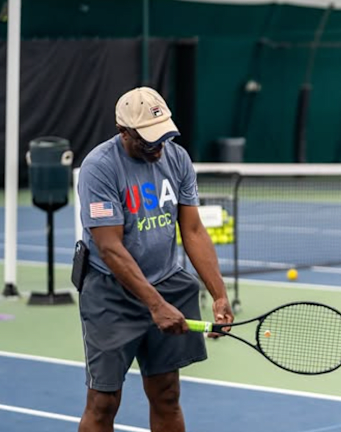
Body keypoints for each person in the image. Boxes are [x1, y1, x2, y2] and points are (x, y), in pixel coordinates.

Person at [76, 87, 233, 431]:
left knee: (166, 393)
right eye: (149, 140)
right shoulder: (99, 168)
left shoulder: (176, 159)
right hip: (111, 293)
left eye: (163, 136)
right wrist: (155, 304)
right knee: (103, 402)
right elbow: (110, 248)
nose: (158, 147)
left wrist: (219, 293)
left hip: (167, 281)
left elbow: (192, 231)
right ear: (124, 132)